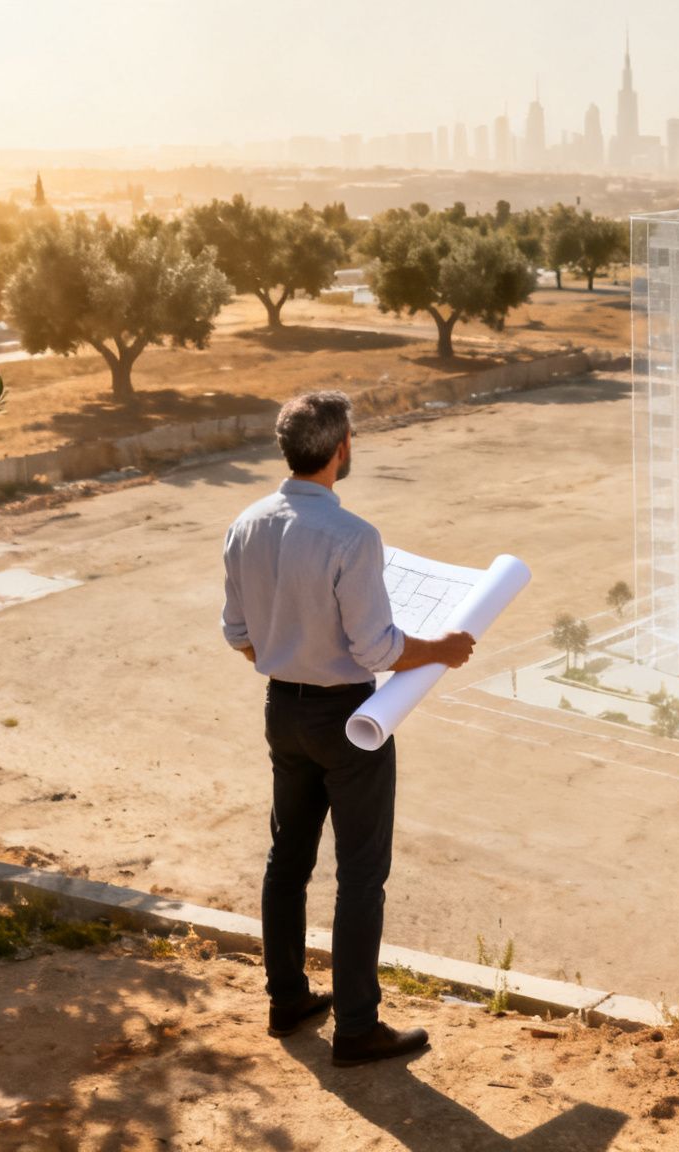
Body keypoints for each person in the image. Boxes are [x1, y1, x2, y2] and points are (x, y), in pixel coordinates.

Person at [222, 390, 475, 1066]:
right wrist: (442, 650)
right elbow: (378, 649)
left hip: (282, 711)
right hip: (348, 719)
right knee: (361, 874)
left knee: (288, 861)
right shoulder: (353, 536)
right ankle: (357, 1027)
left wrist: (288, 655)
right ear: (340, 449)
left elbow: (237, 634)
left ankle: (287, 999)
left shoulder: (245, 523)